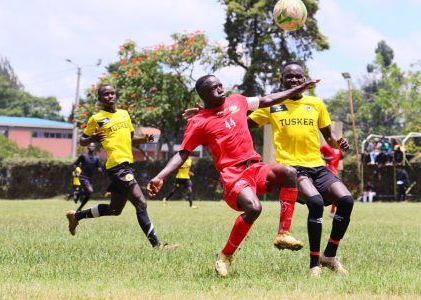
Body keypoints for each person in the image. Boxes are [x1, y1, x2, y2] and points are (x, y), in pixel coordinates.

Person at [148, 74, 319, 277]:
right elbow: (182, 153)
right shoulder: (198, 122)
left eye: (221, 84)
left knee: (289, 172)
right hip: (233, 174)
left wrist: (297, 90)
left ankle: (283, 233)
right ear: (203, 95)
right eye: (214, 88)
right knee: (254, 208)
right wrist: (161, 176)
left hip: (256, 166)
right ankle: (225, 256)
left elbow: (267, 100)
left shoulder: (237, 100)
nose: (221, 89)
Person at [247, 61, 354, 278]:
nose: (294, 80)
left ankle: (329, 256)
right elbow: (245, 123)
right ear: (282, 80)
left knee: (346, 201)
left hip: (317, 165)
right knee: (315, 203)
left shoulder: (315, 103)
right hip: (292, 169)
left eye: (298, 76)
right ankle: (314, 264)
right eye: (289, 76)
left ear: (304, 79)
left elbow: (330, 137)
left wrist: (338, 143)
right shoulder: (272, 105)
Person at [65, 84, 177, 250]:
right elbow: (82, 140)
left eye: (112, 93)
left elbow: (131, 138)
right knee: (141, 203)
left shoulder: (124, 114)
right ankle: (158, 246)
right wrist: (92, 138)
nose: (110, 96)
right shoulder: (96, 118)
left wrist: (145, 140)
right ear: (100, 99)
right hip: (117, 166)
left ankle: (76, 216)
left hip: (126, 165)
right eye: (105, 94)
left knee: (114, 209)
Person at [72, 142, 103, 211]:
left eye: (93, 146)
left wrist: (100, 170)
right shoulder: (83, 156)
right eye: (90, 146)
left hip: (90, 179)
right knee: (90, 190)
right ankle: (77, 193)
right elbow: (74, 164)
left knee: (88, 195)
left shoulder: (96, 158)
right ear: (88, 147)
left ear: (95, 148)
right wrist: (76, 172)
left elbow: (99, 167)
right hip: (83, 177)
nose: (92, 147)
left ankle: (79, 208)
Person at [320, 143, 345, 218]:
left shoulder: (338, 148)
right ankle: (319, 211)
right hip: (326, 172)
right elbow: (315, 155)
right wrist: (326, 158)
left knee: (336, 194)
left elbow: (341, 157)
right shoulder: (325, 146)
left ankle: (333, 212)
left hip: (335, 172)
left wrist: (343, 150)